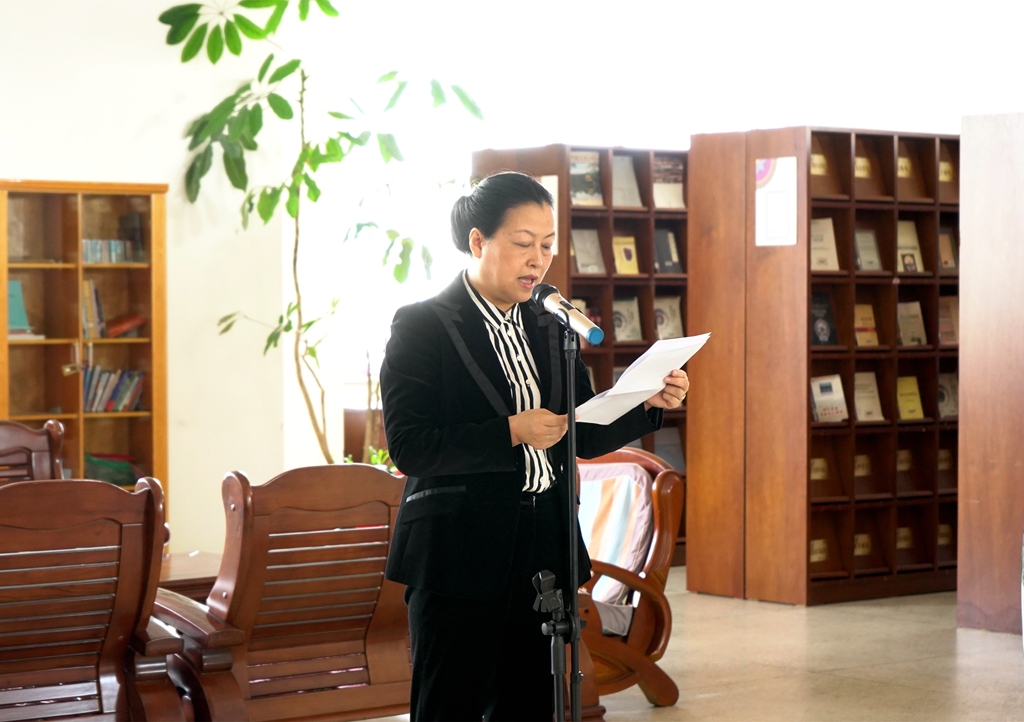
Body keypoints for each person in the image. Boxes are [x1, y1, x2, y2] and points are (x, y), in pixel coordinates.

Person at [379, 171, 689, 721]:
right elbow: (410, 446)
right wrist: (511, 431)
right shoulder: (423, 325)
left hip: (545, 539)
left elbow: (583, 432)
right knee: (449, 704)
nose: (539, 260)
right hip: (459, 549)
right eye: (524, 243)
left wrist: (647, 402)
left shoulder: (551, 326)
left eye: (547, 245)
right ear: (478, 241)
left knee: (529, 704)